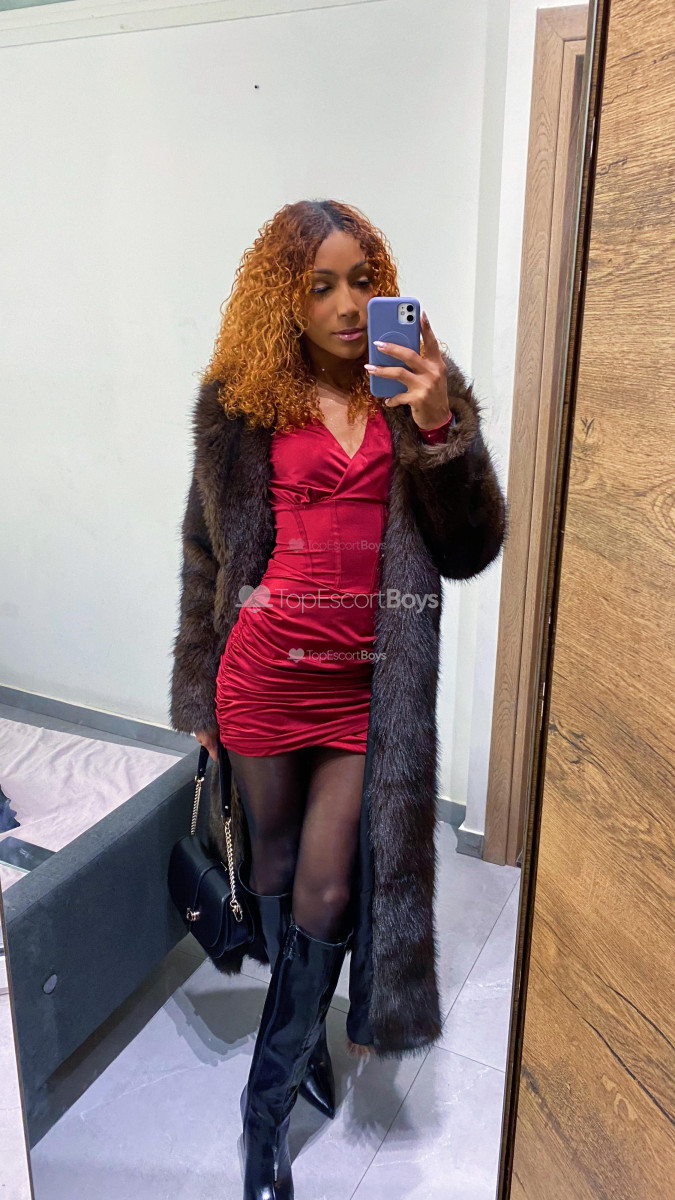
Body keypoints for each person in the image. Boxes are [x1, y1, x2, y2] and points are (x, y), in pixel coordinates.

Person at [169, 199, 507, 1199]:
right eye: (320, 285)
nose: (349, 304)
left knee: (327, 890)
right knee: (274, 874)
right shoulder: (239, 406)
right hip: (264, 677)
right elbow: (204, 552)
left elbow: (469, 546)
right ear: (285, 297)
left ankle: (263, 1115)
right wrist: (199, 688)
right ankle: (303, 1036)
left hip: (366, 690)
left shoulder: (418, 390)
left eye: (363, 279)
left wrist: (440, 426)